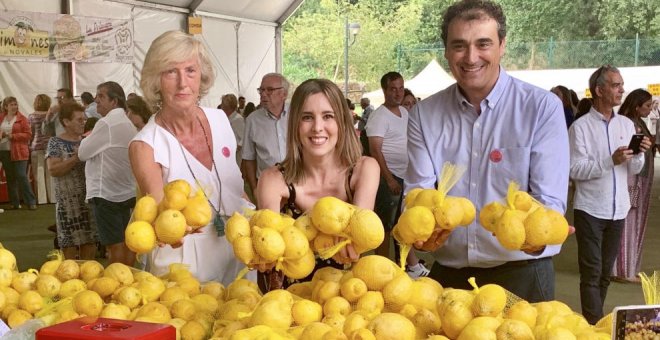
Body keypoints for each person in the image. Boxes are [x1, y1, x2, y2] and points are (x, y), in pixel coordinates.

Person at [405, 0, 569, 302]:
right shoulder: (423, 115)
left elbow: (550, 199)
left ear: (502, 45)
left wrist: (537, 236)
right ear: (445, 51)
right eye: (459, 46)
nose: (470, 57)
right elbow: (417, 194)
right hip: (449, 275)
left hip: (522, 272)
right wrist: (421, 235)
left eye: (483, 44)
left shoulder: (541, 108)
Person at [129, 30, 253, 285]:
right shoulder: (146, 145)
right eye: (170, 72)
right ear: (156, 81)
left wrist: (258, 222)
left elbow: (235, 188)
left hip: (237, 250)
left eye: (190, 71)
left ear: (202, 77)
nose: (182, 83)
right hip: (185, 263)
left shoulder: (220, 121)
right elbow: (162, 218)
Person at [256, 78, 380, 291]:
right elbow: (270, 255)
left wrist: (354, 244)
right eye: (307, 117)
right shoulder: (273, 181)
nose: (317, 127)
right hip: (289, 307)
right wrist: (263, 257)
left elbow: (358, 239)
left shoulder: (364, 170)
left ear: (341, 121)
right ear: (295, 124)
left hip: (345, 302)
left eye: (328, 116)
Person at [569, 66, 650, 324]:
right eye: (616, 85)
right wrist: (609, 160)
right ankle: (593, 325)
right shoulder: (580, 127)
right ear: (599, 90)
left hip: (618, 209)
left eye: (621, 85)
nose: (621, 90)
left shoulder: (626, 125)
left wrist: (638, 154)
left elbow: (634, 170)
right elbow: (574, 169)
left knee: (605, 273)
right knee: (591, 272)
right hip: (590, 209)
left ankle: (595, 321)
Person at [367, 72, 429, 278]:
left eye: (401, 88)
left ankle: (405, 266)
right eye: (393, 89)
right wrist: (389, 178)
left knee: (402, 224)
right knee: (384, 226)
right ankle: (382, 269)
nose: (397, 93)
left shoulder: (404, 111)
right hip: (388, 178)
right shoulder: (379, 116)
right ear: (384, 90)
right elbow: (375, 150)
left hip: (405, 176)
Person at [78, 81, 137, 266]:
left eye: (101, 96)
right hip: (125, 191)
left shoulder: (106, 123)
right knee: (128, 242)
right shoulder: (127, 123)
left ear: (114, 101)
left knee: (114, 245)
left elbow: (82, 153)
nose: (96, 100)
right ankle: (127, 280)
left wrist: (86, 140)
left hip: (106, 194)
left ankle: (117, 282)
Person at [611, 89, 654, 283]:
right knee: (628, 221)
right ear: (636, 106)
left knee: (635, 222)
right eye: (647, 105)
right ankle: (623, 269)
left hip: (640, 181)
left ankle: (629, 266)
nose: (650, 109)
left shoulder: (638, 124)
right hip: (633, 182)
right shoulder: (629, 126)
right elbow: (632, 158)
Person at [46, 102, 98, 260]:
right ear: (66, 122)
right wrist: (76, 158)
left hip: (88, 201)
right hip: (66, 204)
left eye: (84, 119)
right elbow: (53, 170)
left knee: (90, 243)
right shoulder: (55, 142)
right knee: (68, 245)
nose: (83, 122)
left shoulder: (88, 141)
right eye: (79, 119)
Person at [241, 73, 290, 204]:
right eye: (261, 90)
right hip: (268, 188)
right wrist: (255, 189)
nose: (263, 94)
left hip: (298, 184)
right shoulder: (252, 120)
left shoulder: (297, 115)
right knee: (269, 222)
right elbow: (248, 158)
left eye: (269, 90)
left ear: (284, 94)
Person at [0, 96, 37, 210]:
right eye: (11, 104)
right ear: (6, 106)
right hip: (4, 151)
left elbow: (28, 135)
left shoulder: (23, 119)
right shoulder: (1, 118)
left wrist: (12, 136)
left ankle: (31, 201)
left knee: (21, 176)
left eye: (15, 104)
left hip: (19, 151)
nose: (14, 106)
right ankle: (15, 203)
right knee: (10, 177)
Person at [29, 94, 54, 204]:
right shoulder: (51, 115)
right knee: (50, 173)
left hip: (36, 146)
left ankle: (41, 199)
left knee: (38, 173)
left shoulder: (32, 116)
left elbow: (31, 133)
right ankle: (53, 198)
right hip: (49, 146)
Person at [220, 93, 245, 166]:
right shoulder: (226, 118)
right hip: (227, 153)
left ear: (228, 106)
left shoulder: (238, 119)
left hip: (236, 156)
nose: (221, 106)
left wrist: (236, 148)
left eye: (223, 103)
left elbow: (244, 137)